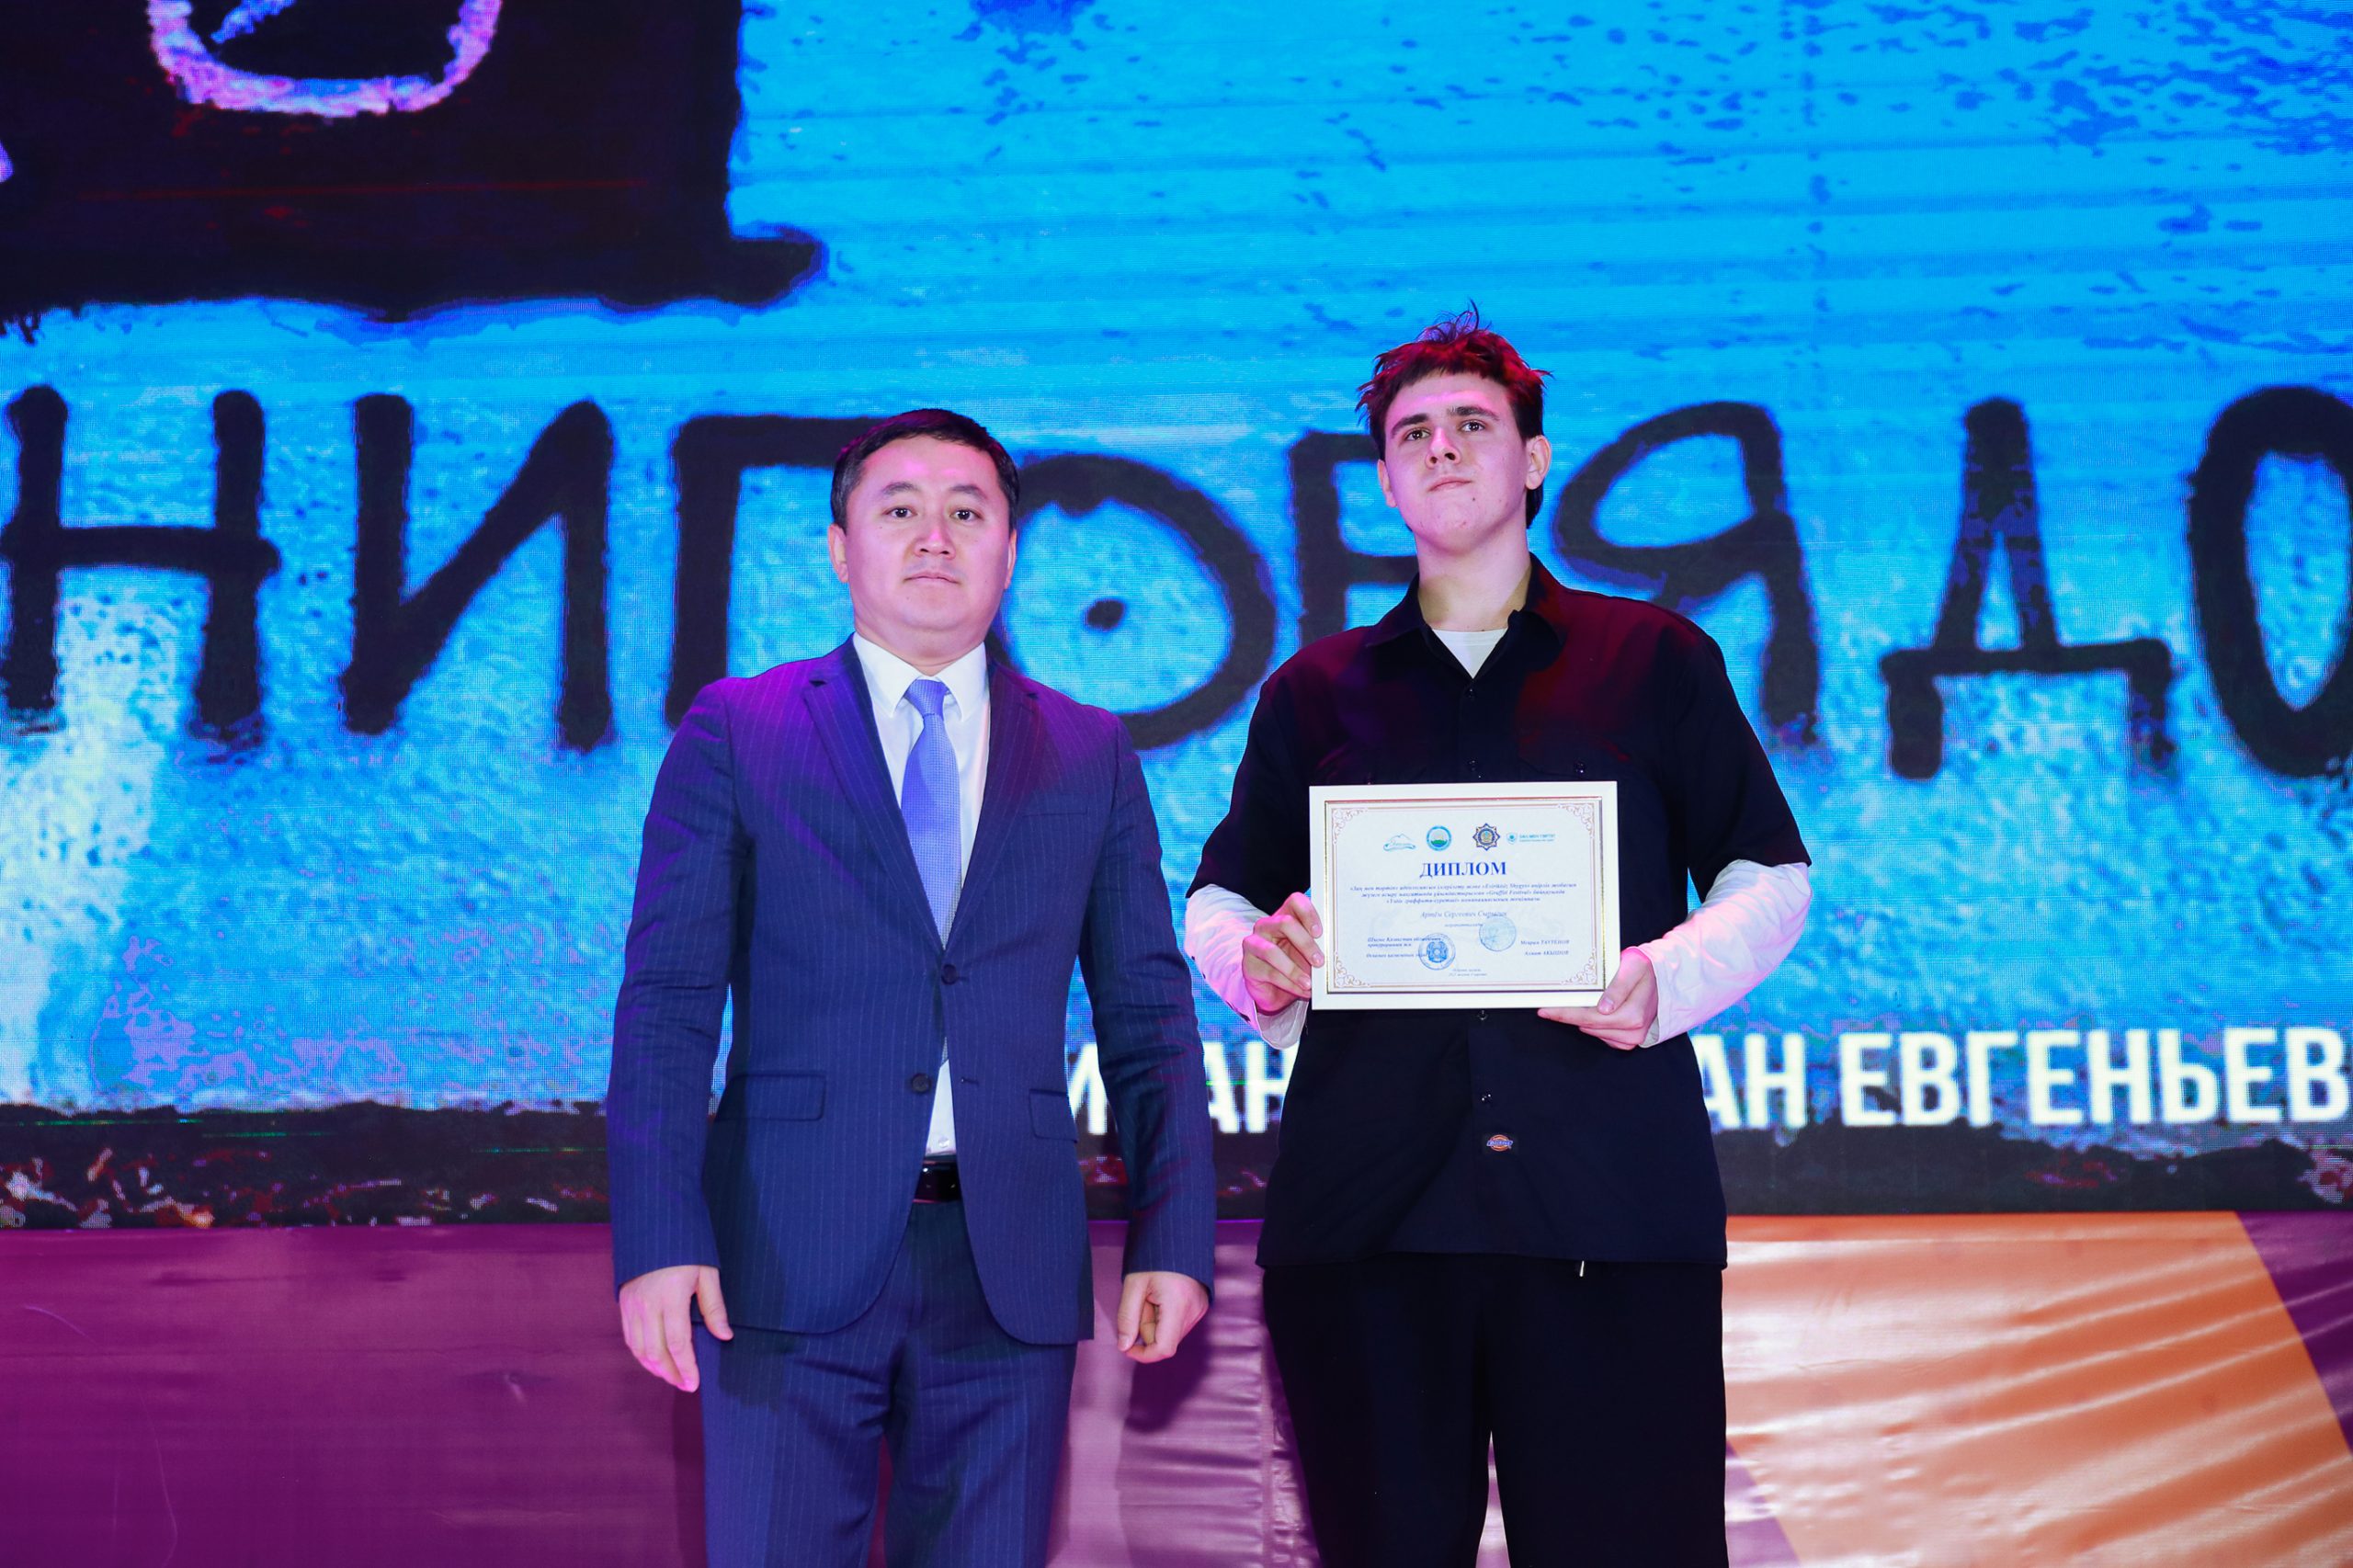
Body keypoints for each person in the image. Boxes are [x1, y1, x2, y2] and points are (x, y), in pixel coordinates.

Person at [1186, 312, 1812, 1567]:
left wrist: (1660, 980)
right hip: (1367, 1221)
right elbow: (1220, 899)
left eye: (1473, 423)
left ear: (1532, 459)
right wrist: (1257, 963)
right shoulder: (1314, 690)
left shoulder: (1654, 658)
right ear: (1384, 479)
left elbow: (1770, 873)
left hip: (1607, 1208)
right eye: (1412, 432)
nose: (1442, 447)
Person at [608, 408, 1215, 1568]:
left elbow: (1147, 1014)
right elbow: (667, 1005)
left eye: (966, 511)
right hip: (780, 1253)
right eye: (899, 509)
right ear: (841, 548)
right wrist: (656, 1232)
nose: (934, 535)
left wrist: (1174, 1234)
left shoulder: (1089, 750)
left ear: (1009, 550)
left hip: (1008, 1266)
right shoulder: (740, 727)